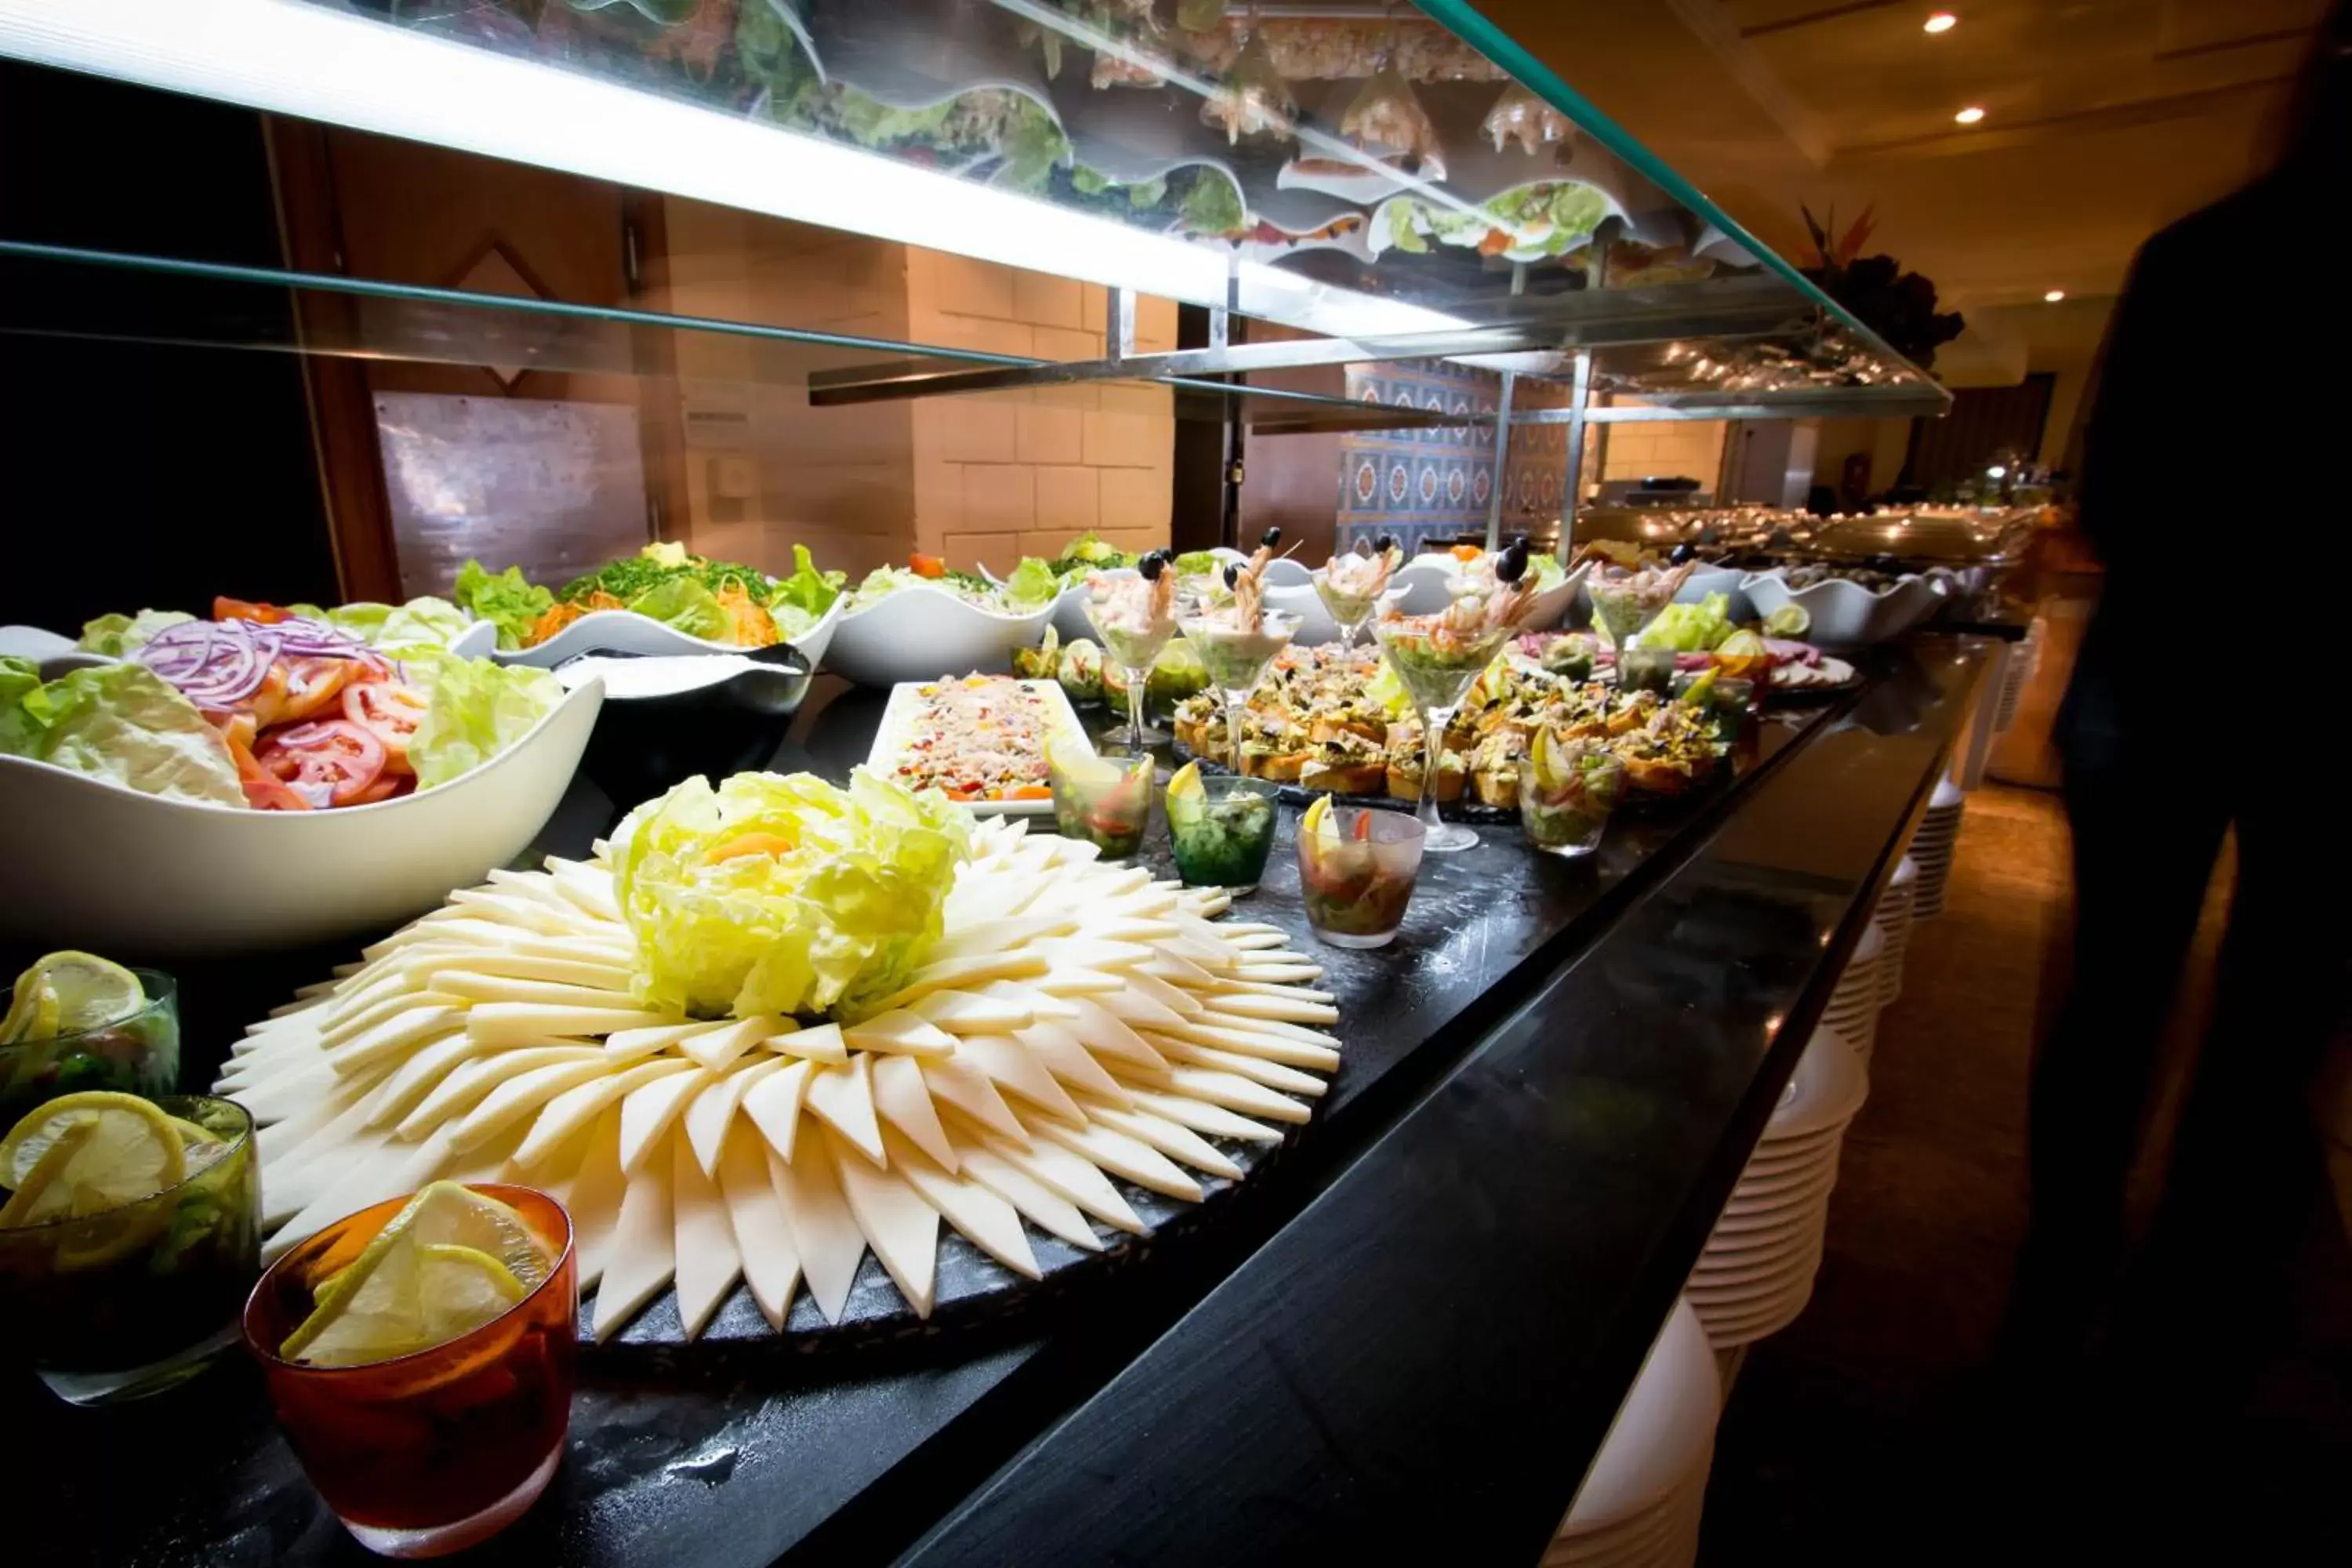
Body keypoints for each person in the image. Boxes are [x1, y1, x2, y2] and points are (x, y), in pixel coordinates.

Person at [2010, 2, 2352, 1413]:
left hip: (2166, 669)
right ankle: (2198, 1308)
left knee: (2115, 988)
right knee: (2283, 1011)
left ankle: (2056, 1277)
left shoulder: (2203, 256)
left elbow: (2118, 497)